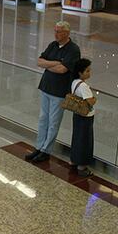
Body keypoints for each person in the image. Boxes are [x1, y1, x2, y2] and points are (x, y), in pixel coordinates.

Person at [26, 20, 80, 163]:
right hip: (46, 87)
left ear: (67, 33)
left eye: (59, 31)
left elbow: (63, 70)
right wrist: (55, 63)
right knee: (43, 119)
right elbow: (39, 61)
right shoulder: (53, 45)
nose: (55, 34)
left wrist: (48, 65)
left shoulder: (73, 50)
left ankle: (46, 150)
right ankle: (38, 147)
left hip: (59, 92)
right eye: (55, 30)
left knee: (53, 122)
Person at [69, 58, 96, 177]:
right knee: (85, 141)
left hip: (77, 114)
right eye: (87, 71)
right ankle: (82, 166)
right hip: (86, 117)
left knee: (77, 137)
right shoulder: (84, 86)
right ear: (80, 72)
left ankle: (74, 160)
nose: (89, 73)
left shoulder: (74, 82)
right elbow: (90, 101)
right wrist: (95, 99)